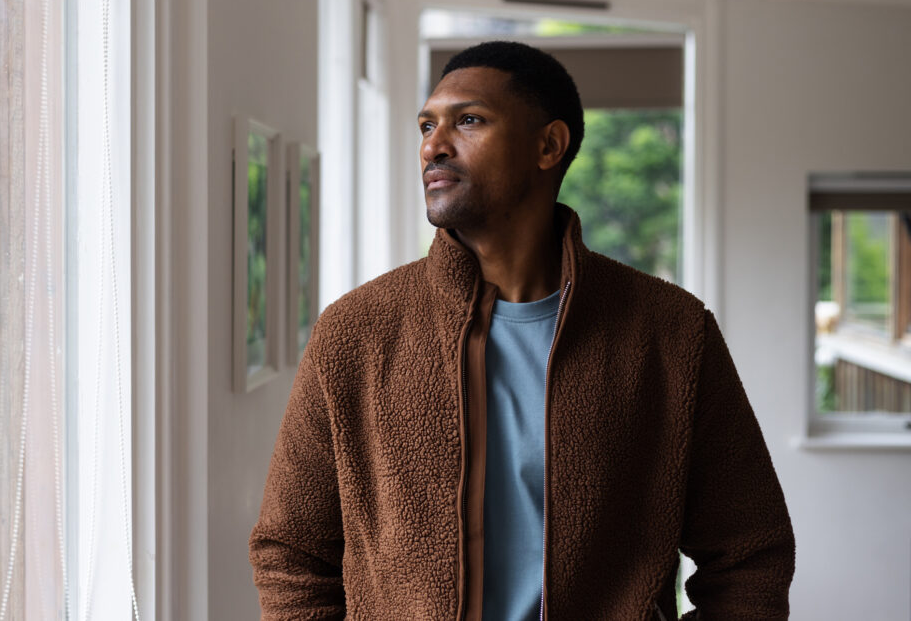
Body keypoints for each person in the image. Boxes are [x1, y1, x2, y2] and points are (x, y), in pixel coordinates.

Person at [249, 41, 795, 620]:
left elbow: (749, 553)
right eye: (427, 125)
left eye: (469, 120)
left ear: (548, 145)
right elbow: (292, 553)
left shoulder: (671, 333)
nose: (433, 145)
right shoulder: (356, 333)